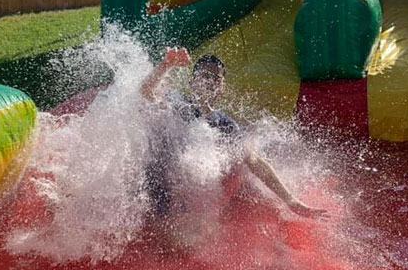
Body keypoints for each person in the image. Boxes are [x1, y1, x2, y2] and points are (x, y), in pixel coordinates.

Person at [140, 47, 326, 224]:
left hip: (185, 199)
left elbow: (254, 161)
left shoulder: (225, 125)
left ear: (221, 87)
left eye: (215, 78)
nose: (209, 80)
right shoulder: (178, 101)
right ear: (192, 81)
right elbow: (146, 93)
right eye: (204, 75)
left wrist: (291, 201)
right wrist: (166, 64)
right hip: (158, 184)